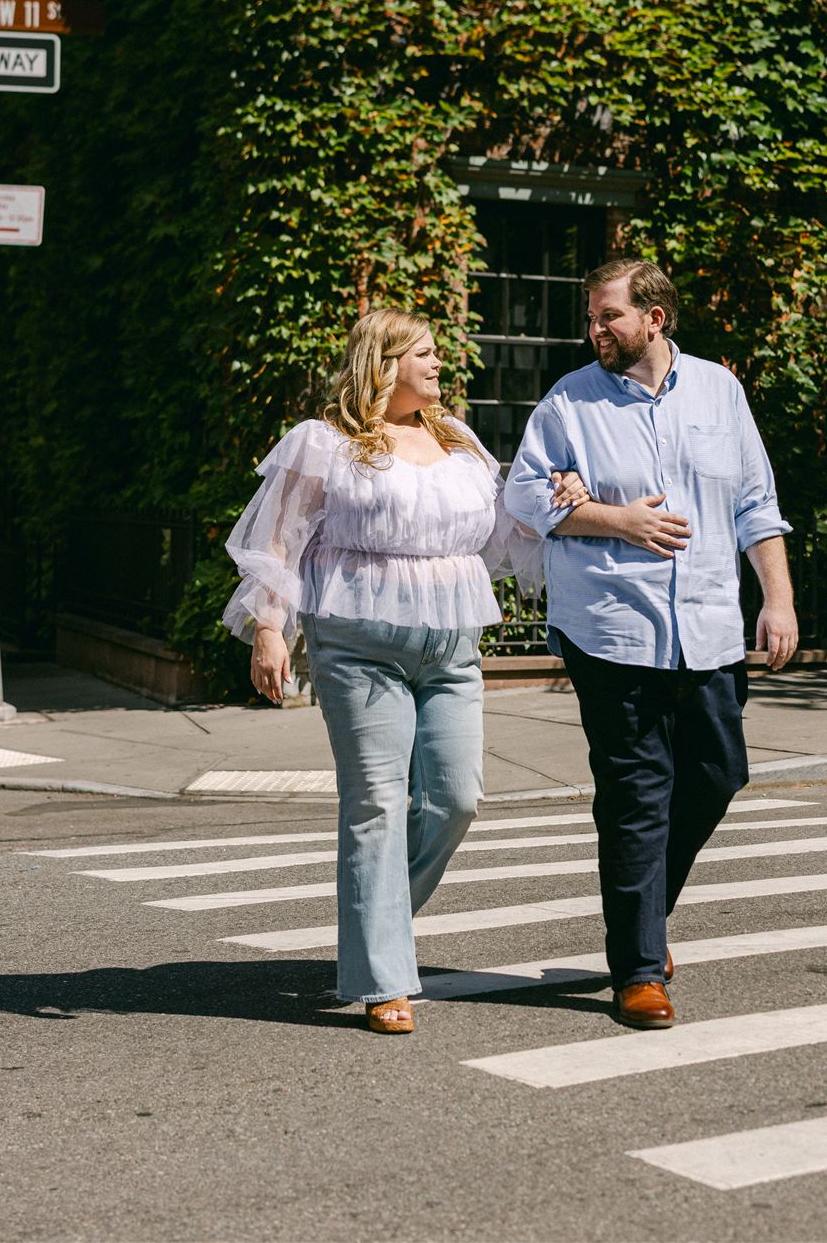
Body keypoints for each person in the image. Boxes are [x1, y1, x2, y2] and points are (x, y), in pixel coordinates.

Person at [222, 308, 584, 1034]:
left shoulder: (459, 442)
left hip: (450, 644)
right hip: (357, 644)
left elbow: (507, 528)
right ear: (382, 363)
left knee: (457, 798)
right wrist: (269, 627)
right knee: (376, 806)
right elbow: (277, 542)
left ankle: (379, 918)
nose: (439, 363)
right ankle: (383, 976)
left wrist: (560, 497)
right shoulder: (325, 444)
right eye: (423, 353)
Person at [505, 258, 798, 1030]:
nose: (595, 331)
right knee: (636, 797)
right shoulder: (571, 401)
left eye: (609, 317)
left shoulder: (718, 391)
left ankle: (646, 920)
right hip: (610, 630)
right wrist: (615, 518)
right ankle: (636, 969)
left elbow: (756, 503)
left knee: (717, 772)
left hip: (708, 628)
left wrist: (778, 599)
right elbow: (527, 495)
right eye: (593, 319)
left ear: (654, 319)